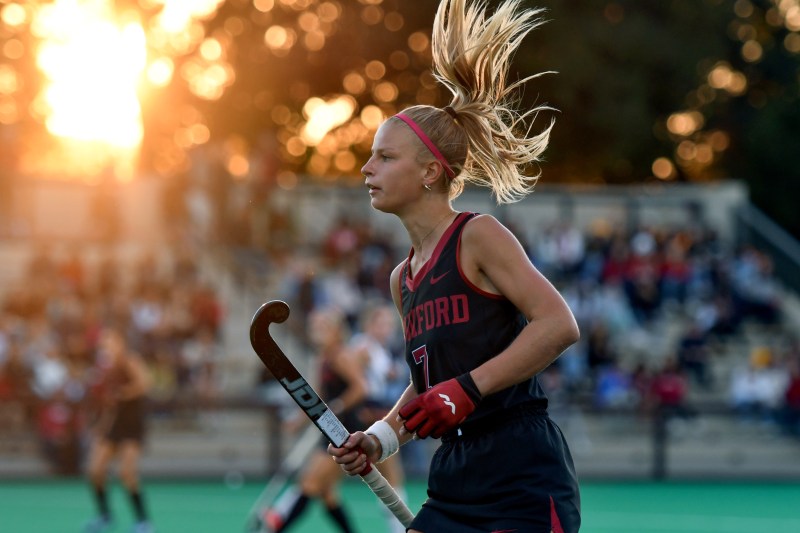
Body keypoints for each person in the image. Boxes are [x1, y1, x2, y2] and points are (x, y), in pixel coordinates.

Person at [328, 1, 582, 532]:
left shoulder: (478, 235)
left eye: (384, 157)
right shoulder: (404, 279)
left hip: (520, 475)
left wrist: (466, 389)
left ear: (428, 172)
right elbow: (429, 384)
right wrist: (382, 436)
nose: (367, 167)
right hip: (453, 478)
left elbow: (559, 325)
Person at [260, 307, 366, 533]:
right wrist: (298, 421)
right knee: (328, 494)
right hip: (330, 431)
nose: (317, 332)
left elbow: (361, 388)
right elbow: (316, 398)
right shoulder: (321, 359)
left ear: (336, 331)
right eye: (315, 327)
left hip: (346, 431)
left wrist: (338, 405)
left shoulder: (341, 356)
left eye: (323, 327)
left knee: (309, 484)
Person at [84, 327, 154, 533]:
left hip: (131, 425)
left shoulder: (130, 360)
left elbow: (145, 383)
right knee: (95, 470)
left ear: (120, 343)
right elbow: (108, 404)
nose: (106, 346)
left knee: (127, 473)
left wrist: (123, 393)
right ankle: (104, 515)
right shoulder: (105, 368)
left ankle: (143, 521)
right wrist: (100, 427)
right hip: (113, 425)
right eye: (104, 343)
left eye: (110, 341)